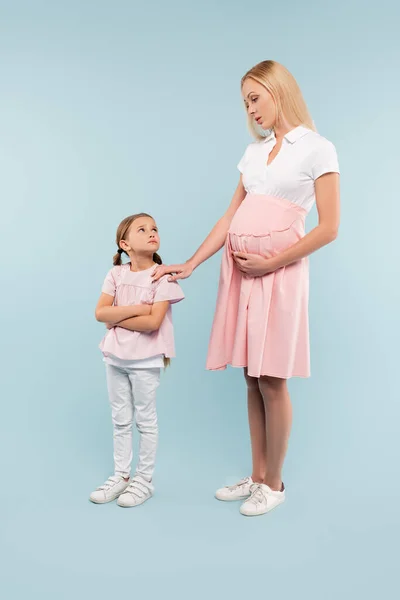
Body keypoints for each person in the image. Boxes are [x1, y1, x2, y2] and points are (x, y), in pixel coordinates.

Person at [153, 60, 340, 517]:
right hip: (240, 274)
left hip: (279, 273)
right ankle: (257, 476)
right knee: (251, 376)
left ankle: (274, 484)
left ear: (278, 91)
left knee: (272, 377)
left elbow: (330, 227)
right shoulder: (254, 153)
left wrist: (271, 262)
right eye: (245, 102)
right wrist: (192, 263)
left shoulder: (317, 149)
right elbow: (229, 218)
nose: (250, 109)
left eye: (255, 98)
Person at [90, 213, 184, 507]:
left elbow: (153, 322)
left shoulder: (163, 276)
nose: (151, 232)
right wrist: (137, 310)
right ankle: (122, 476)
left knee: (145, 420)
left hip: (145, 361)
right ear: (125, 244)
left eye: (154, 228)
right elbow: (99, 313)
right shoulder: (115, 274)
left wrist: (117, 317)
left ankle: (143, 480)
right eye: (142, 229)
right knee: (120, 419)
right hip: (114, 357)